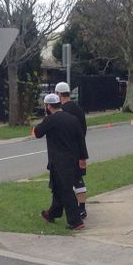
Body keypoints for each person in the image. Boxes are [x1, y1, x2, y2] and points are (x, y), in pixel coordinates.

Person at [35, 93, 88, 230]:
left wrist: (44, 120)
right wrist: (83, 158)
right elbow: (81, 140)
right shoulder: (73, 119)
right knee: (57, 188)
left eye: (45, 106)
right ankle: (52, 213)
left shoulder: (50, 120)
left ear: (48, 106)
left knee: (66, 190)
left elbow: (37, 133)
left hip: (59, 162)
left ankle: (76, 221)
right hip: (73, 159)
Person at [55, 82, 89, 219]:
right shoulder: (79, 109)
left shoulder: (62, 111)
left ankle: (66, 208)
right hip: (79, 149)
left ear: (59, 94)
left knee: (65, 180)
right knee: (78, 179)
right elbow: (83, 130)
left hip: (66, 151)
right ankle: (82, 208)